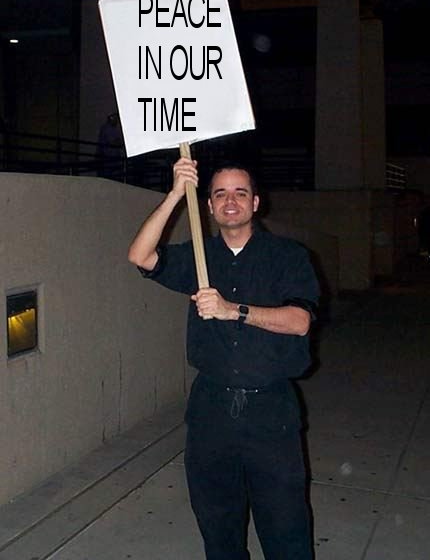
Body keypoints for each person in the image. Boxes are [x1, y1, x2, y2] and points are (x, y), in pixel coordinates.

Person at [128, 157, 320, 560]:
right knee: (218, 529)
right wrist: (175, 194)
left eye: (240, 193)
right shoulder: (199, 257)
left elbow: (300, 321)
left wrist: (233, 310)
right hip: (211, 410)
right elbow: (140, 255)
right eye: (220, 194)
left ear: (255, 203)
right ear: (210, 207)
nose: (230, 201)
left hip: (270, 412)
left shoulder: (287, 256)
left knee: (286, 529)